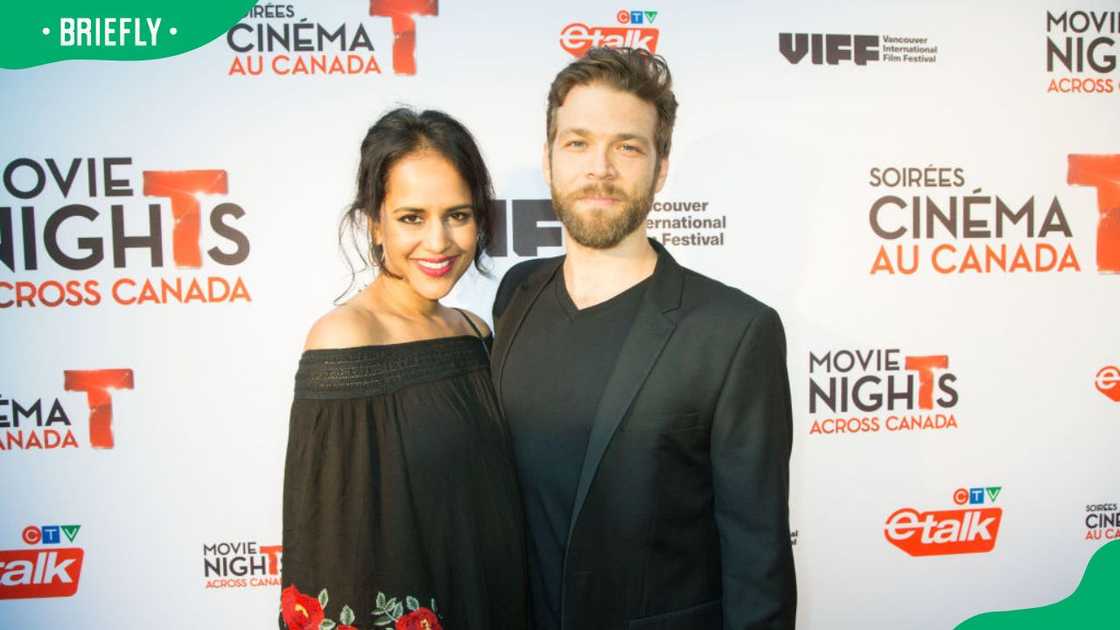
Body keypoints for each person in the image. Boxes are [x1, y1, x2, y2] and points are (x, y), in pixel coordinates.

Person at [491, 48, 796, 629]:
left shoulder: (734, 332)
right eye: (577, 143)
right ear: (549, 159)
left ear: (660, 168)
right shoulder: (516, 293)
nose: (599, 168)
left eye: (626, 146)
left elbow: (759, 562)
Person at [281, 108, 527, 630]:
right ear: (375, 222)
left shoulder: (475, 331)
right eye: (412, 217)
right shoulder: (345, 339)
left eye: (457, 215)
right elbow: (332, 554)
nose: (438, 242)